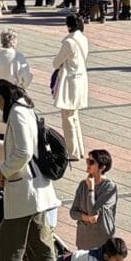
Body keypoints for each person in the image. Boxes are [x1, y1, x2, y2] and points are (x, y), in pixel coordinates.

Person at [0, 79, 65, 261]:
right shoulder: (26, 107)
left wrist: (4, 171)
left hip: (24, 190)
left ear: (3, 96)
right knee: (40, 244)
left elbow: (24, 150)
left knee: (8, 245)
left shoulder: (17, 112)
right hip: (36, 189)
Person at [52, 14, 90, 162]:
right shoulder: (83, 38)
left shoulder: (69, 42)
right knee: (74, 116)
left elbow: (56, 62)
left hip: (70, 81)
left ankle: (71, 151)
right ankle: (79, 149)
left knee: (67, 117)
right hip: (81, 78)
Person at [70, 149, 118, 250]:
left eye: (91, 162)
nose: (88, 164)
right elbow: (73, 213)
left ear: (102, 167)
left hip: (101, 242)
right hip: (83, 241)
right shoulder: (83, 185)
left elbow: (93, 213)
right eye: (88, 161)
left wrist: (91, 190)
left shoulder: (109, 187)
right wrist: (87, 218)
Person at [0, 30, 33, 134]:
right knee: (12, 123)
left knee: (0, 124)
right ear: (13, 42)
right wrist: (23, 86)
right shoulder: (17, 56)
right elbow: (24, 77)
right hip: (12, 94)